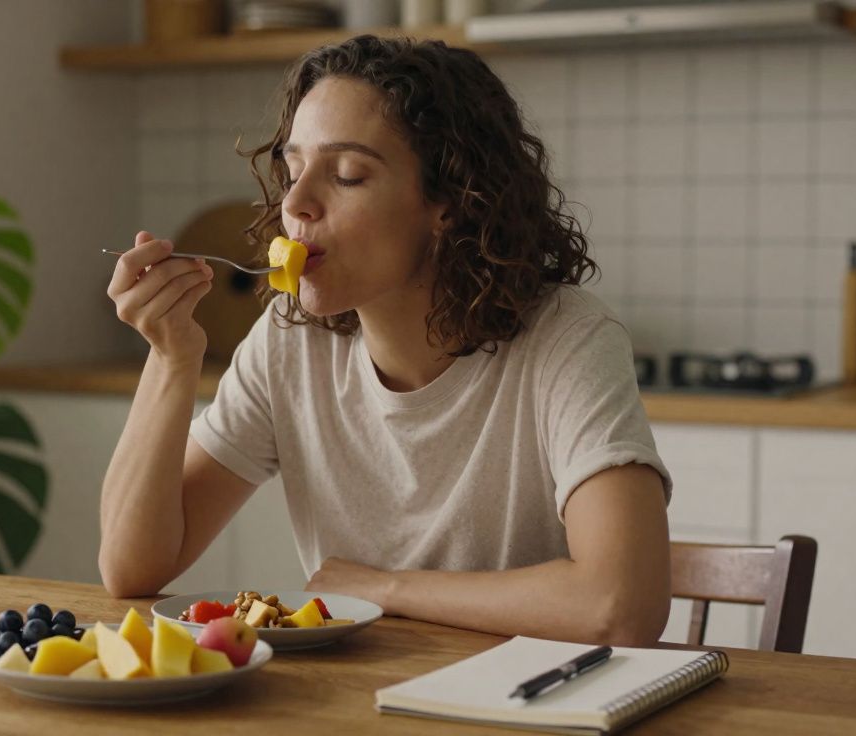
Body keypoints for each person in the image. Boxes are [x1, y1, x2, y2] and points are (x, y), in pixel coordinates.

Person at [100, 35, 672, 646]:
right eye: (293, 170)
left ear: (448, 202)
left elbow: (622, 606)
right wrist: (171, 357)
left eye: (347, 175)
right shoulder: (290, 341)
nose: (294, 203)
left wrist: (384, 587)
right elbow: (133, 568)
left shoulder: (567, 339)